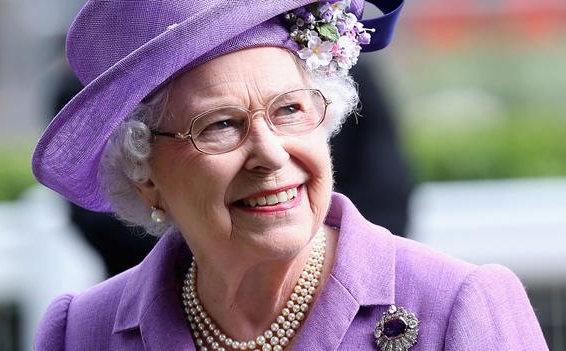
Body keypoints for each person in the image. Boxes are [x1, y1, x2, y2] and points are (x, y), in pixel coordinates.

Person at [32, 1, 547, 350]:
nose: (270, 154)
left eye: (290, 111)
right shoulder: (80, 333)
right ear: (145, 174)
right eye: (221, 125)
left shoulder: (459, 308)